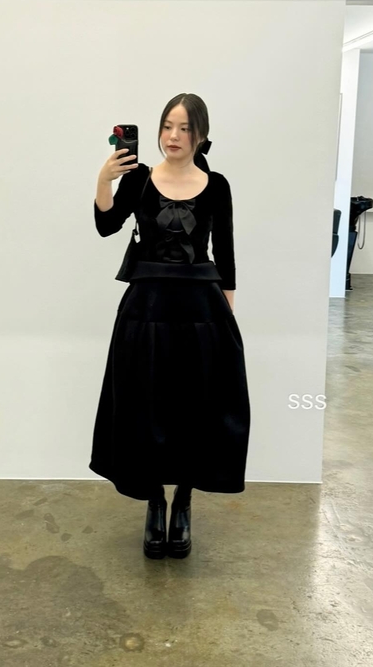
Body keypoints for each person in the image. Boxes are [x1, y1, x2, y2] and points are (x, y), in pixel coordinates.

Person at [90, 93, 251, 559]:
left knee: (195, 406)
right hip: (145, 309)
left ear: (200, 135)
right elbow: (107, 226)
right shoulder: (139, 178)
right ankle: (154, 501)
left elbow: (226, 249)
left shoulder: (216, 184)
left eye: (184, 128)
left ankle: (183, 499)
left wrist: (226, 312)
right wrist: (104, 179)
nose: (173, 136)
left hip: (202, 310)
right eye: (167, 126)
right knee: (145, 405)